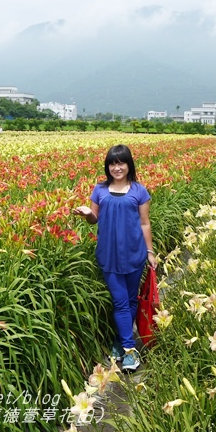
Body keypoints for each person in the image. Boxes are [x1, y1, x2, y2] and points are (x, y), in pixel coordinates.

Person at [73, 144, 158, 372]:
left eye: (120, 162)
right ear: (107, 166)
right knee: (121, 302)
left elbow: (144, 223)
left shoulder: (139, 191)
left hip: (134, 254)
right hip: (108, 255)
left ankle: (119, 342)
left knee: (130, 301)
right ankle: (131, 351)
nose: (116, 167)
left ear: (129, 165)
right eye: (112, 163)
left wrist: (150, 252)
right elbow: (94, 219)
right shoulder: (99, 190)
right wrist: (88, 213)